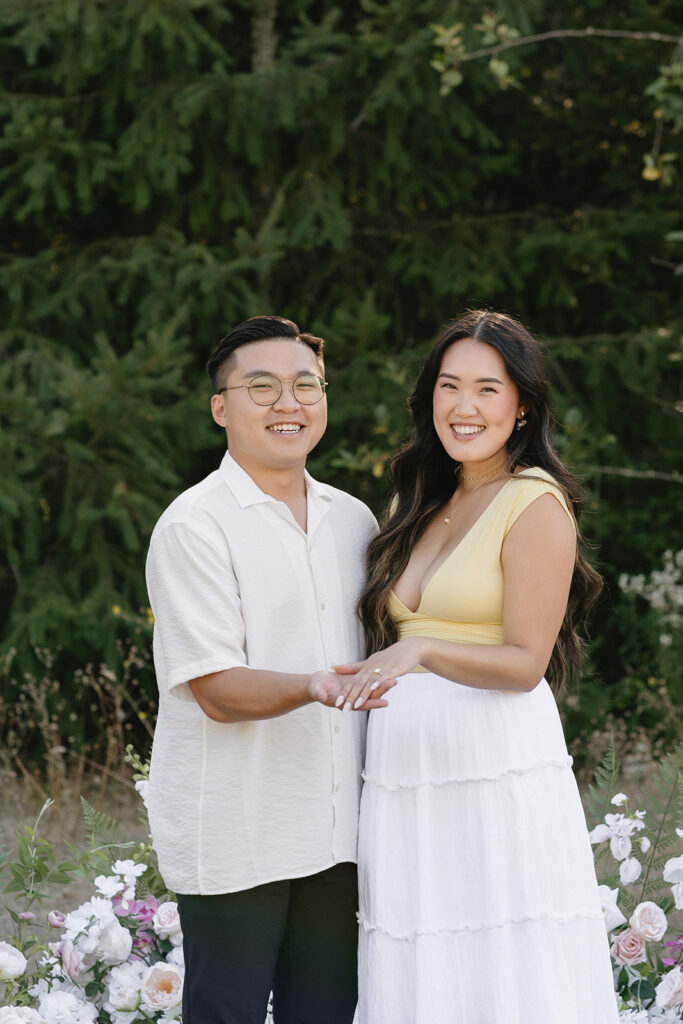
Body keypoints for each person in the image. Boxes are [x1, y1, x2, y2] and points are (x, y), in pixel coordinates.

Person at [334, 311, 619, 1024]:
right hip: (405, 767)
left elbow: (525, 662)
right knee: (421, 950)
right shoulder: (419, 500)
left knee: (501, 950)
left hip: (492, 756)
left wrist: (422, 650)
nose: (464, 407)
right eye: (448, 385)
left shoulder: (534, 503)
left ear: (520, 405)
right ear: (428, 396)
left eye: (487, 389)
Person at [145, 315, 393, 1024]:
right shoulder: (195, 525)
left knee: (324, 1014)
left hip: (336, 834)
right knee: (226, 1014)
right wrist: (314, 684)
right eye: (262, 387)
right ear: (220, 407)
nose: (288, 403)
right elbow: (216, 689)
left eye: (304, 385)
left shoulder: (354, 521)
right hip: (237, 830)